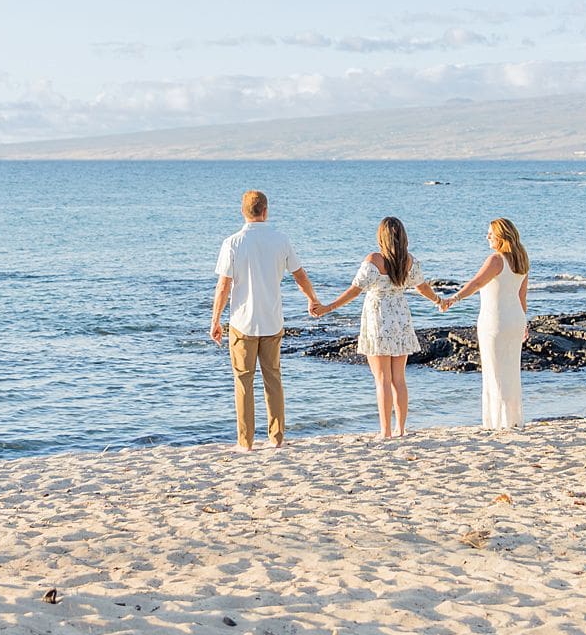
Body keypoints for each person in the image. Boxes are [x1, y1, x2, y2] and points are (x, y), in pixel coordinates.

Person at [312, 217, 442, 440]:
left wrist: (328, 307)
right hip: (401, 318)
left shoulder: (374, 260)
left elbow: (355, 290)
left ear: (381, 237)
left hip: (378, 319)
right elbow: (423, 287)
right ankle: (401, 429)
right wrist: (439, 300)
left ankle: (386, 431)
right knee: (399, 379)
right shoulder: (409, 261)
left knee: (382, 378)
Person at [210, 189, 320, 451]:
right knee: (273, 379)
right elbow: (300, 275)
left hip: (242, 323)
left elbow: (223, 286)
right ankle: (277, 438)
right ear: (266, 211)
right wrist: (312, 299)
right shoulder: (281, 240)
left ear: (243, 212)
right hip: (272, 321)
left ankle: (245, 442)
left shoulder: (233, 243)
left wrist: (215, 320)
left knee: (244, 381)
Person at [440, 218, 529, 430]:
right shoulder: (522, 259)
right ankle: (513, 419)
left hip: (495, 321)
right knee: (511, 371)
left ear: (501, 236)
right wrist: (524, 322)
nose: (487, 236)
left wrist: (454, 298)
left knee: (494, 370)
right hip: (515, 319)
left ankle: (497, 422)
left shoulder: (496, 260)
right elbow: (522, 296)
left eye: (491, 233)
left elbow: (476, 283)